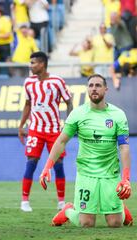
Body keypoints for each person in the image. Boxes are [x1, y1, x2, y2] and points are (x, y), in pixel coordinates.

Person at [40, 74, 133, 227]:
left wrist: (126, 179)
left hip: (110, 174)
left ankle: (121, 208)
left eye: (98, 85)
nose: (94, 89)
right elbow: (61, 141)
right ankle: (68, 210)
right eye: (91, 86)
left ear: (106, 89)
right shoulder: (78, 114)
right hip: (86, 173)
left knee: (115, 223)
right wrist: (47, 167)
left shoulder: (118, 115)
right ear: (87, 89)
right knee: (87, 224)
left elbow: (124, 147)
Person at [18, 51, 73, 212]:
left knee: (58, 164)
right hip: (35, 129)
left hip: (54, 130)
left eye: (33, 63)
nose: (31, 66)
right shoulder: (29, 82)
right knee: (31, 163)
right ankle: (24, 201)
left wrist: (69, 125)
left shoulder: (57, 81)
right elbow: (28, 104)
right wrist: (21, 126)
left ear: (42, 64)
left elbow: (69, 102)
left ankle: (61, 202)